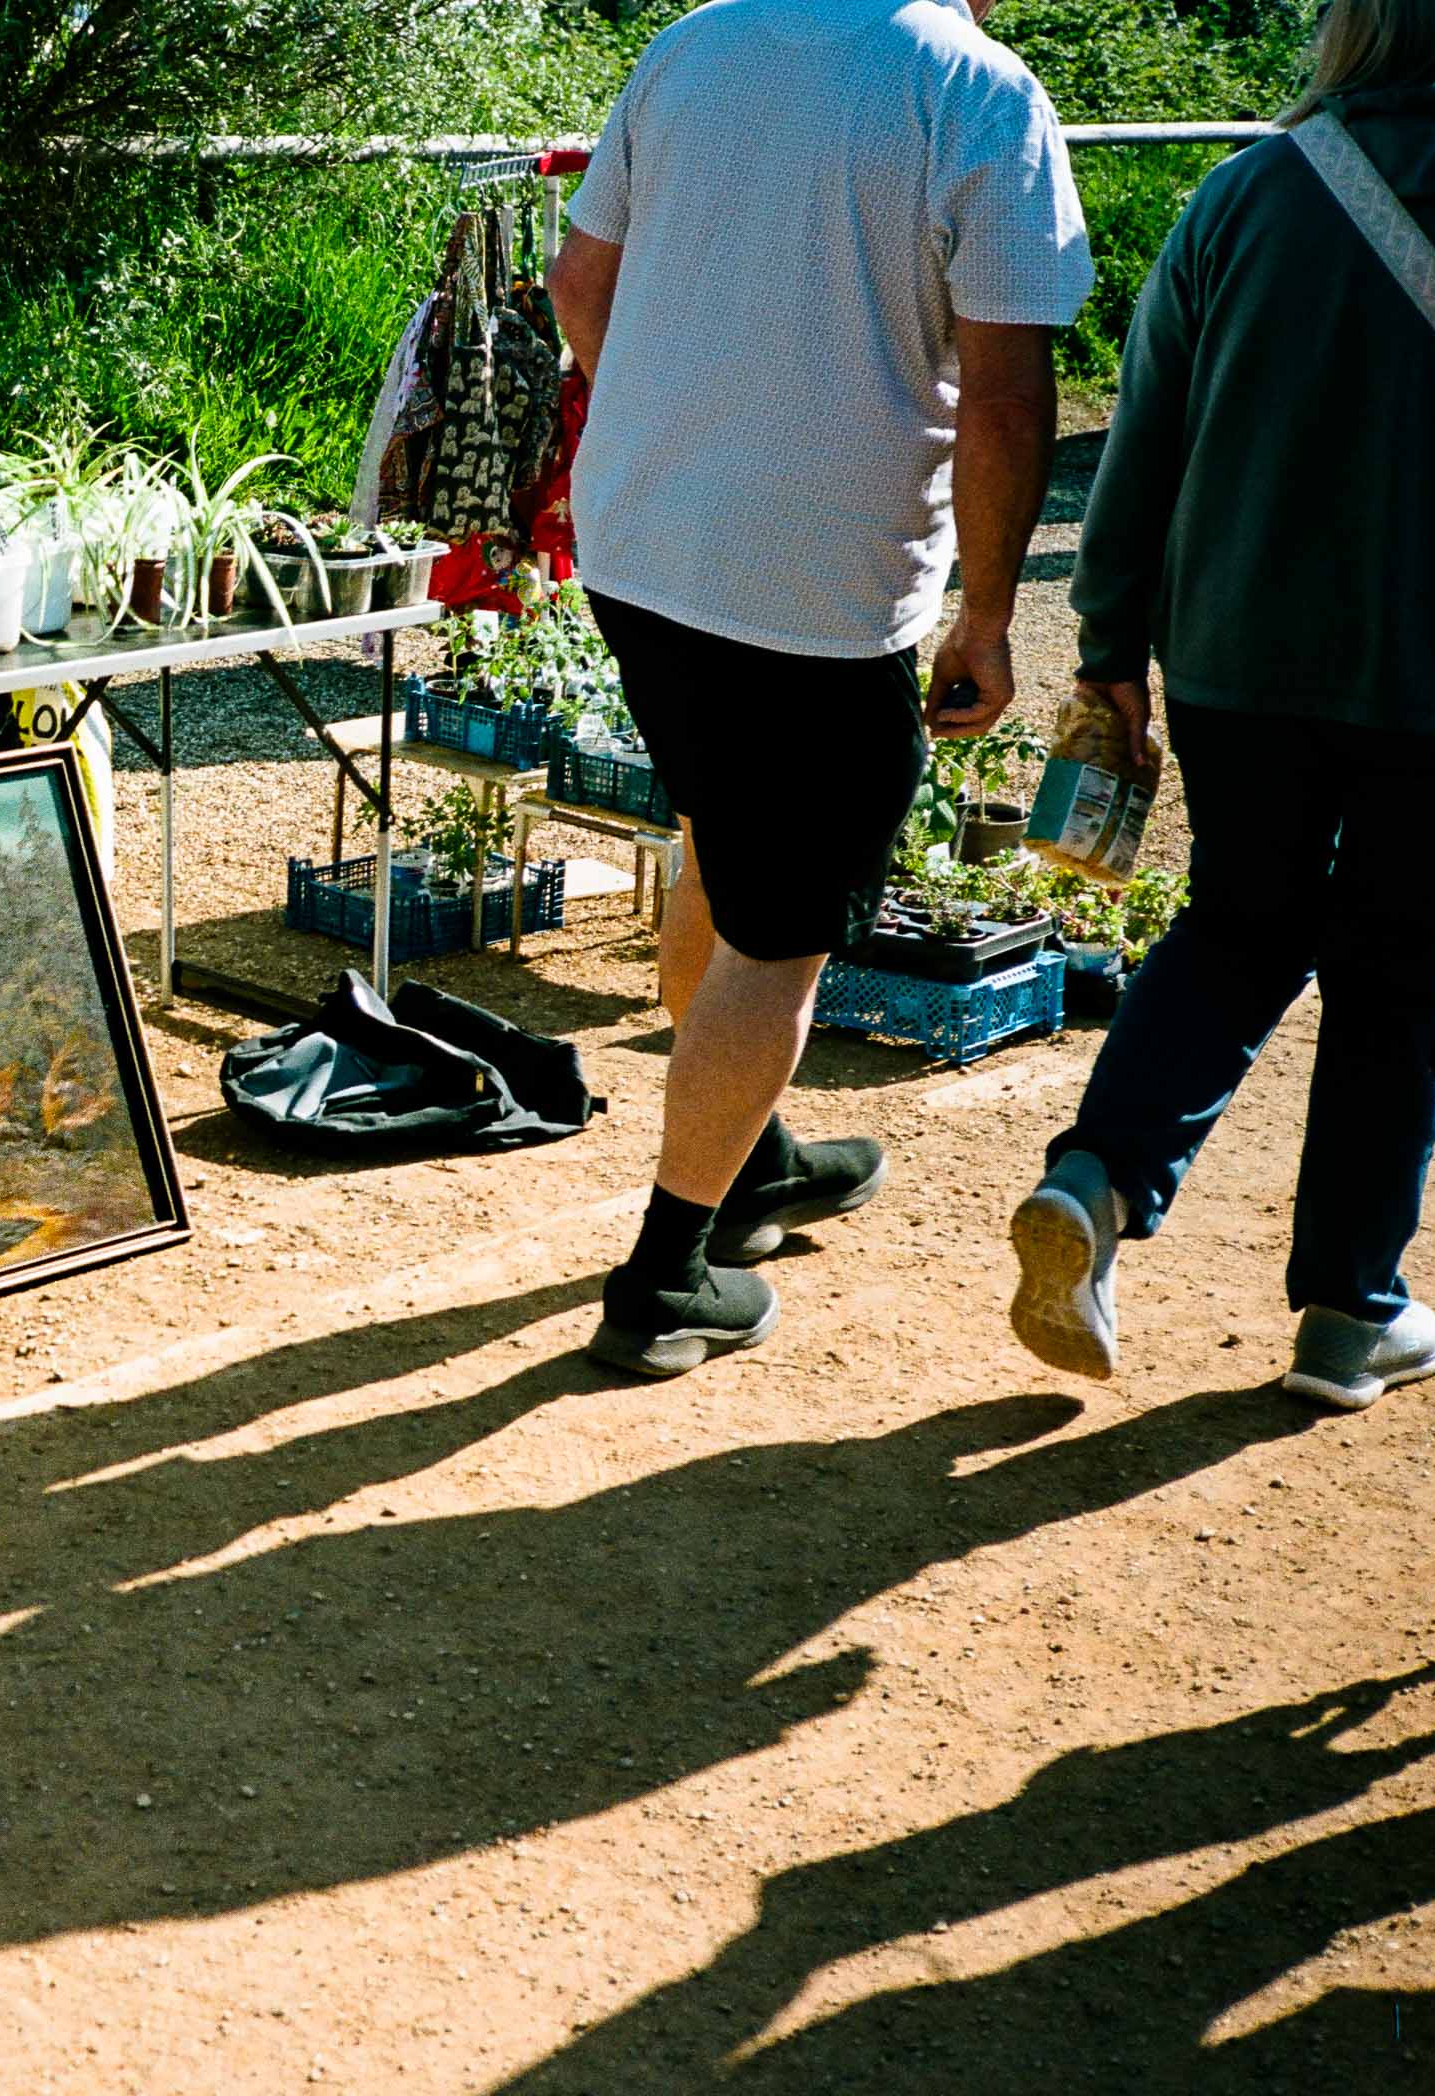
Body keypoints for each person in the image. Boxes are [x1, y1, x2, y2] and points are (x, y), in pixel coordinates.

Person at [1008, 0, 1435, 1410]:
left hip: (1234, 655)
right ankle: (1345, 1314)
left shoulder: (1245, 191)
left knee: (1238, 920)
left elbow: (1140, 445)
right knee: (1401, 966)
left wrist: (1105, 651)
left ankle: (1097, 1177)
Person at [546, 0, 1093, 1376]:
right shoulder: (975, 88)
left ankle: (758, 1159)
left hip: (639, 537)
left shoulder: (694, 42)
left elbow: (575, 283)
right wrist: (983, 609)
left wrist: (675, 426)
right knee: (783, 928)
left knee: (719, 832)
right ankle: (669, 1270)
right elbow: (1007, 394)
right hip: (813, 581)